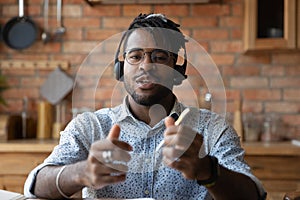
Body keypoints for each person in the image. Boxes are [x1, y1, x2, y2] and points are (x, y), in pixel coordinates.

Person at [24, 13, 266, 200]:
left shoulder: (212, 128)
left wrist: (206, 170)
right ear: (121, 68)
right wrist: (82, 172)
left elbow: (254, 195)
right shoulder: (90, 126)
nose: (145, 66)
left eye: (160, 57)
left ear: (177, 70)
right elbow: (35, 185)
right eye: (135, 56)